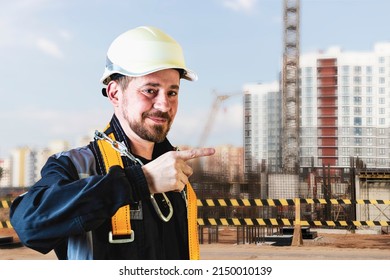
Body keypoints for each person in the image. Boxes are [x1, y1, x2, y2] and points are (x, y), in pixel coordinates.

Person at [10, 26, 215, 260]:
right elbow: (29, 224)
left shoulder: (175, 172)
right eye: (150, 90)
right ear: (115, 94)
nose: (164, 105)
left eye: (172, 93)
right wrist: (139, 182)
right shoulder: (76, 167)